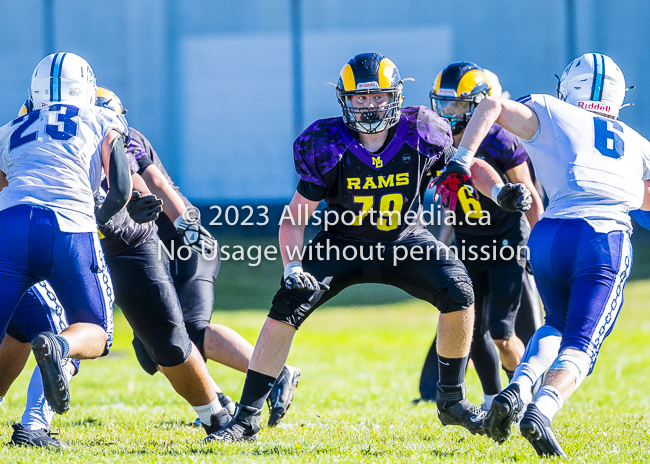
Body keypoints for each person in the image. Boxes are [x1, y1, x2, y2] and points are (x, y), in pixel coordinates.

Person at [205, 52, 533, 443]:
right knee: (285, 306)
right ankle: (246, 418)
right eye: (359, 98)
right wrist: (293, 268)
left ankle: (452, 400)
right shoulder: (325, 144)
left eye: (377, 96)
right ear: (345, 100)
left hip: (403, 240)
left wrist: (498, 191)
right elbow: (295, 216)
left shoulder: (423, 132)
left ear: (394, 96)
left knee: (459, 291)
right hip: (344, 244)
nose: (369, 105)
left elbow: (467, 165)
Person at [432, 53, 650, 457]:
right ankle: (543, 410)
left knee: (554, 326)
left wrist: (462, 158)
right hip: (602, 238)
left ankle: (517, 389)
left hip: (548, 233)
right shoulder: (638, 144)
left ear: (570, 86)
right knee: (583, 342)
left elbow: (492, 103)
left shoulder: (554, 111)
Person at [95, 87, 300, 426]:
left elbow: (153, 181)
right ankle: (218, 398)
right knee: (151, 348)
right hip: (148, 251)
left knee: (188, 330)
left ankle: (274, 374)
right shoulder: (85, 147)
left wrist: (184, 227)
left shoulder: (116, 138)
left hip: (180, 241)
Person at [0, 52, 130, 419]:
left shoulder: (10, 128)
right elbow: (121, 189)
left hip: (9, 227)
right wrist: (97, 221)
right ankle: (60, 345)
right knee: (97, 332)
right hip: (69, 225)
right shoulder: (102, 116)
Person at [416, 63, 544, 408]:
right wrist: (441, 243)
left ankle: (526, 396)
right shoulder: (435, 141)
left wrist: (542, 245)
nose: (448, 113)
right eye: (442, 104)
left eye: (457, 105)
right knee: (470, 329)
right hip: (468, 244)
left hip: (506, 243)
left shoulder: (500, 140)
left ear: (477, 105)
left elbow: (529, 194)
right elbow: (448, 197)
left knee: (502, 333)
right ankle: (492, 401)